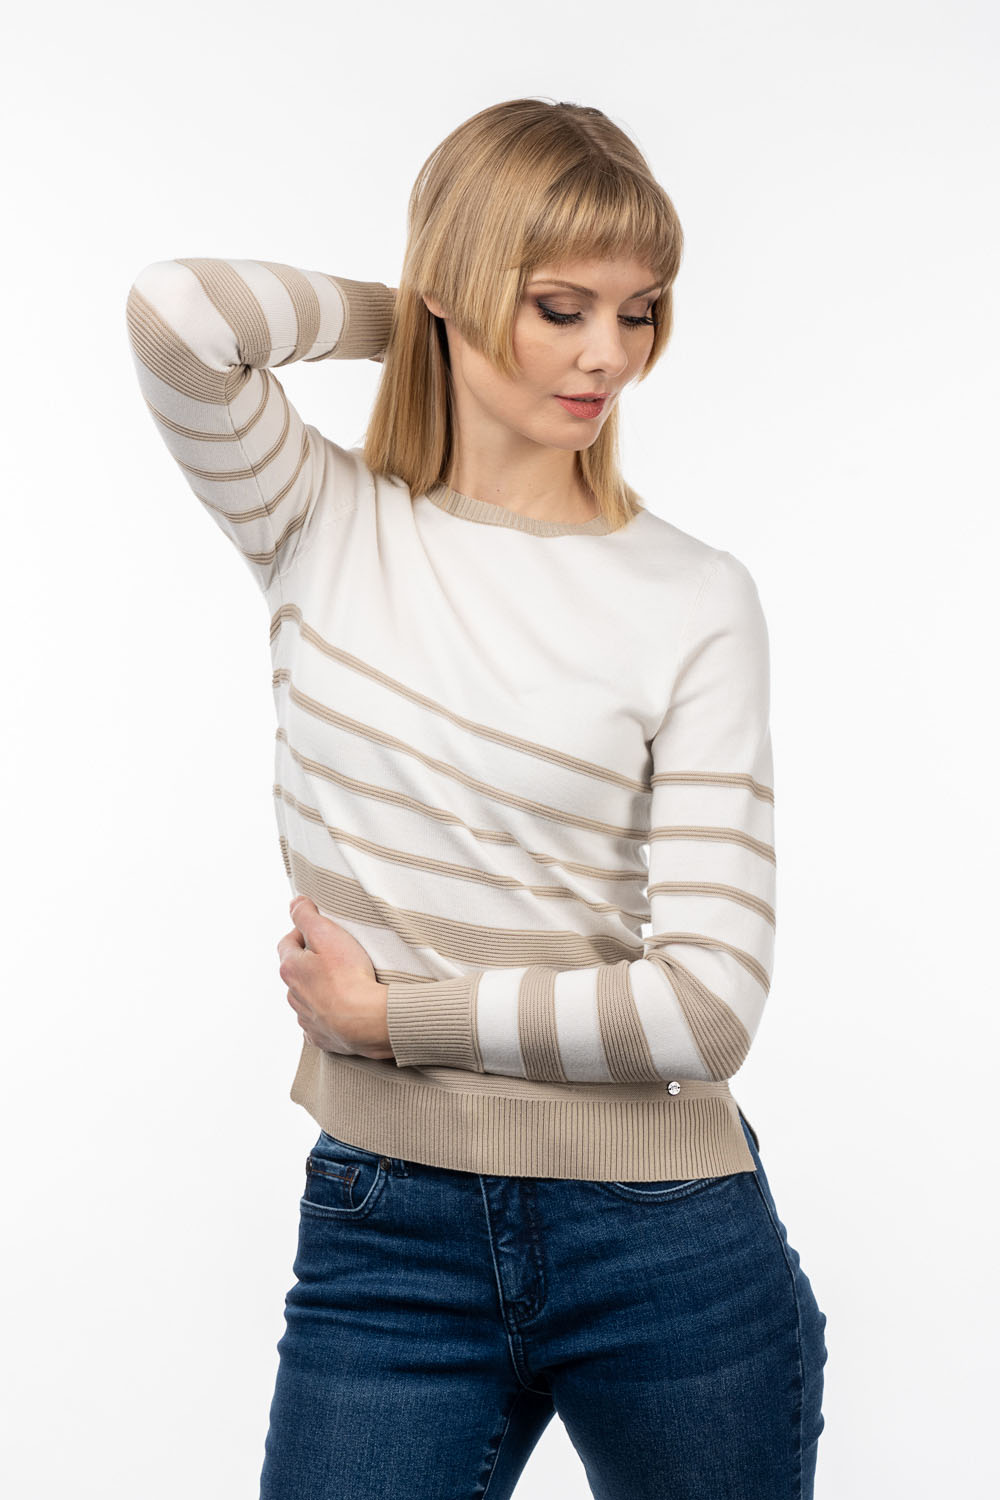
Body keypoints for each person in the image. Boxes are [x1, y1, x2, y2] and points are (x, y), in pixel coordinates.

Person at [125, 96, 828, 1500]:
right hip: (387, 1235)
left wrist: (399, 1020)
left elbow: (707, 1006)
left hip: (666, 1242)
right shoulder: (318, 518)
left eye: (638, 312)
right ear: (455, 287)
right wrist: (425, 314)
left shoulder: (695, 598)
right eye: (560, 307)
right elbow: (179, 314)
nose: (607, 356)